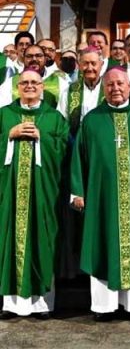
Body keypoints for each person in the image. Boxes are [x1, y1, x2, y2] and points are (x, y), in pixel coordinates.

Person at [70, 67, 130, 322]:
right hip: (102, 198)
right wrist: (78, 191)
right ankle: (104, 307)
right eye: (110, 84)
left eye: (120, 84)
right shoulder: (92, 119)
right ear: (104, 89)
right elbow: (78, 158)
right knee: (102, 245)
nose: (115, 88)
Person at [0, 69, 68, 319]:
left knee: (42, 239)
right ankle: (11, 304)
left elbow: (64, 150)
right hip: (9, 193)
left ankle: (42, 305)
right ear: (18, 87)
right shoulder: (4, 115)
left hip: (43, 193)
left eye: (34, 83)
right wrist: (9, 135)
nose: (29, 86)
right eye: (24, 83)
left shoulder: (54, 118)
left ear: (42, 87)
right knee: (8, 240)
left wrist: (44, 139)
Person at [0, 45, 68, 108]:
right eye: (29, 56)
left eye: (39, 56)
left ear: (45, 59)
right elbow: (3, 111)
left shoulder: (61, 82)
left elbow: (64, 113)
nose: (34, 59)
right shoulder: (9, 84)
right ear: (23, 59)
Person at [57, 47, 104, 137]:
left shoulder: (109, 90)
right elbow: (61, 122)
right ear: (79, 65)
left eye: (93, 64)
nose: (90, 68)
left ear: (101, 64)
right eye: (85, 63)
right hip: (76, 143)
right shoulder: (68, 91)